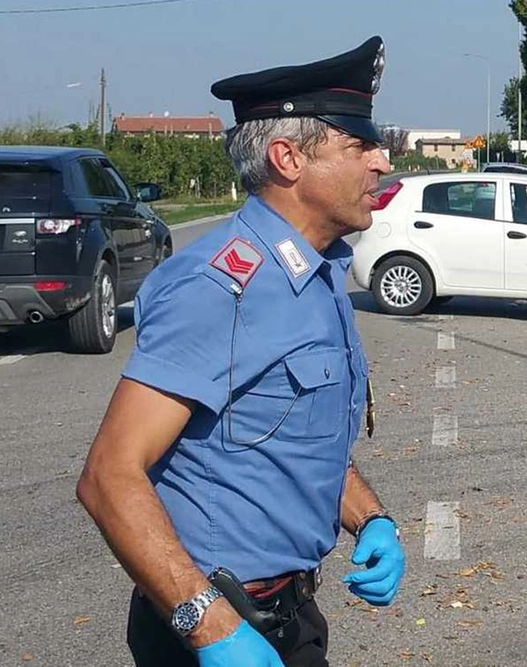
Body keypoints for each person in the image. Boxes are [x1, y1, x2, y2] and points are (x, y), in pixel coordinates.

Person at [77, 35, 404, 667]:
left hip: (289, 615)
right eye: (359, 144)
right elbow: (109, 475)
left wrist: (371, 518)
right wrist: (211, 630)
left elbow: (285, 438)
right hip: (217, 625)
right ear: (288, 158)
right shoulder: (221, 288)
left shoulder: (318, 274)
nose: (381, 161)